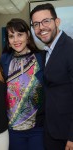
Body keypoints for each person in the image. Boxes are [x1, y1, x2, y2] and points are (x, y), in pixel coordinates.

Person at [30, 3, 73, 150]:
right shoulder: (46, 52)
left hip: (66, 135)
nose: (41, 27)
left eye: (46, 21)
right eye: (36, 24)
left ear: (57, 21)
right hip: (50, 129)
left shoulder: (70, 48)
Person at [0, 18, 45, 150]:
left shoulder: (41, 57)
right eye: (11, 36)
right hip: (13, 129)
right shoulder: (4, 60)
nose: (16, 40)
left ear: (28, 35)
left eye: (20, 34)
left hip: (38, 128)